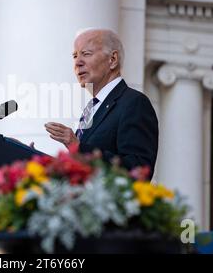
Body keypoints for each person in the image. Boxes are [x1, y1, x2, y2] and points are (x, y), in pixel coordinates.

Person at [45, 29, 159, 175]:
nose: (77, 63)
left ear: (112, 60)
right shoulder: (90, 109)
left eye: (86, 54)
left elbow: (139, 169)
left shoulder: (134, 103)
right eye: (75, 56)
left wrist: (77, 146)